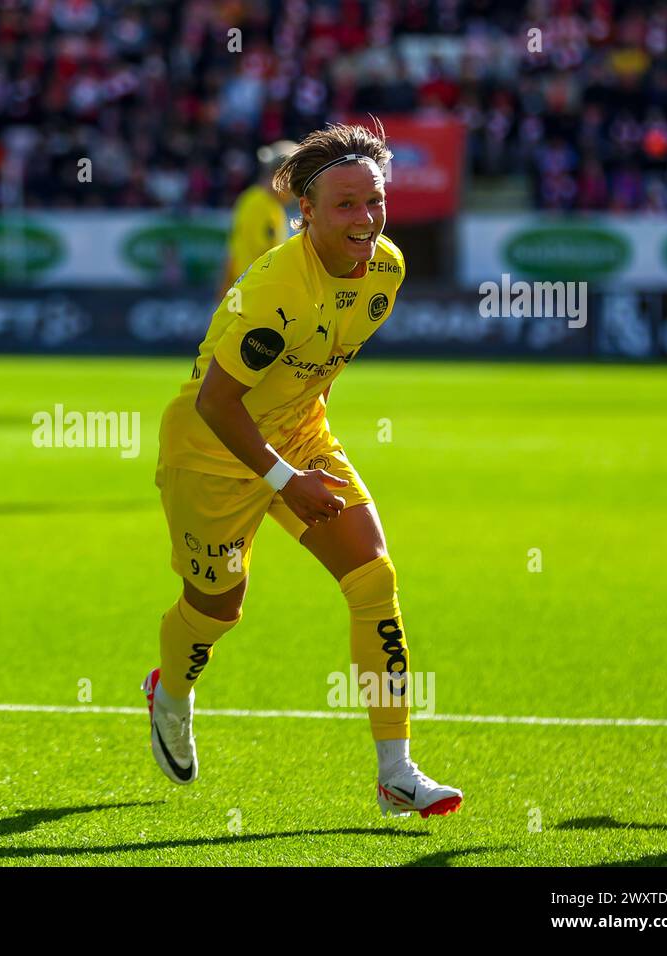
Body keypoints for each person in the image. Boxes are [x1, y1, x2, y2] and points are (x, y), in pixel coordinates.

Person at [146, 120, 463, 819]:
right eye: (345, 205)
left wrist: (303, 459)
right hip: (210, 449)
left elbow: (313, 372)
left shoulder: (388, 268)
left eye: (374, 201)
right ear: (306, 212)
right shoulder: (277, 290)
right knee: (217, 609)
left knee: (373, 577)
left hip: (299, 435)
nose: (365, 219)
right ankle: (170, 692)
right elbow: (216, 401)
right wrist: (286, 481)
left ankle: (396, 772)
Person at [217, 141, 295, 300]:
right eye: (294, 180)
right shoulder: (257, 204)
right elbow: (243, 258)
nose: (296, 189)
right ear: (280, 175)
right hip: (251, 299)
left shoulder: (271, 206)